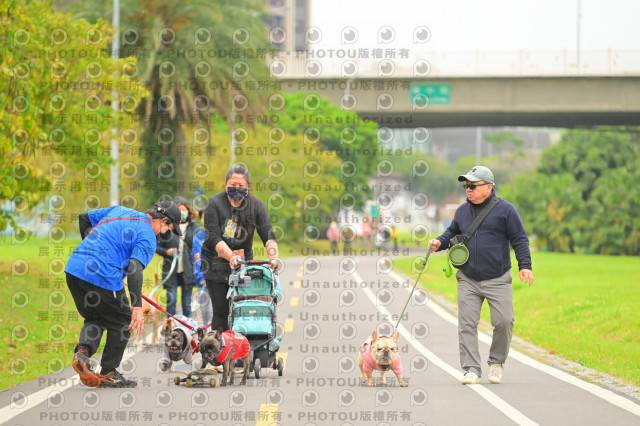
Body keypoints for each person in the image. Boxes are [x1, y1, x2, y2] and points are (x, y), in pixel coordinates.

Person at [428, 166, 534, 385]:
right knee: (466, 324)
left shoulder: (506, 210)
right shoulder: (461, 211)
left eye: (473, 185)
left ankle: (496, 363)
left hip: (498, 278)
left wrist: (525, 265)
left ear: (489, 187)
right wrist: (440, 242)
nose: (469, 189)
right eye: (466, 186)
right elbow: (452, 232)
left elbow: (519, 239)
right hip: (468, 278)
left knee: (504, 321)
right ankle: (471, 369)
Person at [65, 201, 182, 388]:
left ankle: (82, 354)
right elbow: (135, 268)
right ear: (163, 220)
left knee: (95, 317)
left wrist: (91, 250)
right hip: (103, 275)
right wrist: (137, 308)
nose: (166, 232)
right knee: (124, 320)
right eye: (169, 227)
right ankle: (108, 372)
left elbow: (84, 218)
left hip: (74, 269)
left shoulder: (119, 210)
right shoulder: (148, 236)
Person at [201, 165, 279, 331]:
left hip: (243, 265)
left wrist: (273, 258)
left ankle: (242, 343)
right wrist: (231, 257)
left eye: (241, 185)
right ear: (226, 184)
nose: (236, 188)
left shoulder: (256, 206)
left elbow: (268, 235)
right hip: (216, 262)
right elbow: (213, 237)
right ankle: (220, 345)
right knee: (221, 310)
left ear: (247, 186)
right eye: (233, 184)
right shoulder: (214, 203)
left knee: (244, 307)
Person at [156, 197, 200, 318]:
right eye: (179, 209)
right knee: (171, 300)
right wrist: (167, 252)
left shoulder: (195, 228)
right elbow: (156, 247)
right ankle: (170, 326)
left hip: (188, 271)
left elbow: (201, 246)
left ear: (189, 211)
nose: (182, 212)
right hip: (171, 271)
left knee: (186, 303)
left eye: (184, 209)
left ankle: (187, 327)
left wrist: (198, 254)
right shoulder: (166, 227)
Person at [191, 209, 213, 327]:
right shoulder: (198, 238)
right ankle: (206, 332)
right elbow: (197, 260)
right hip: (205, 278)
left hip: (220, 278)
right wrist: (201, 277)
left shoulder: (223, 235)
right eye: (204, 217)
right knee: (205, 309)